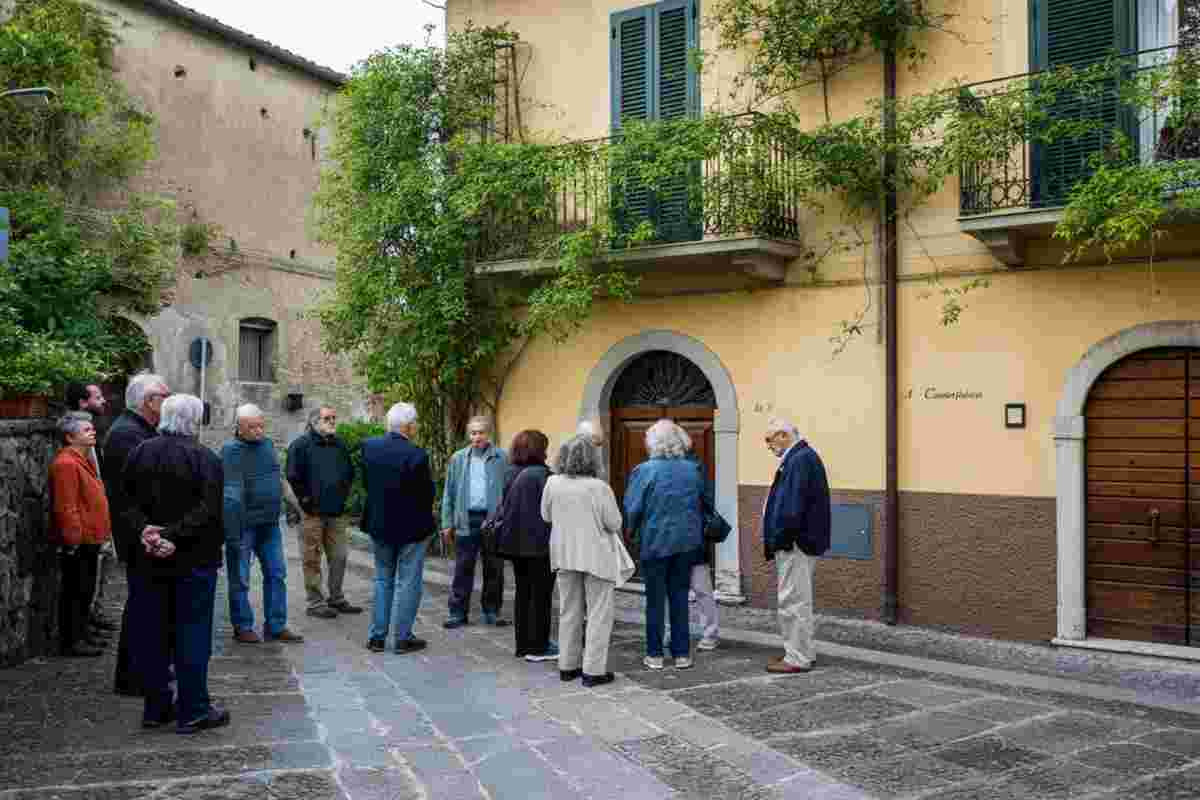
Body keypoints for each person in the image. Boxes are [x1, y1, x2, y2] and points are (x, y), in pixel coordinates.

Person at [122, 394, 229, 733]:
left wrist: (148, 532)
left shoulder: (140, 452)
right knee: (192, 634)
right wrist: (172, 535)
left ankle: (155, 707)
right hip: (193, 559)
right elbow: (207, 510)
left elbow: (124, 500)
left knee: (153, 632)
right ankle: (194, 708)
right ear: (195, 420)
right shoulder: (205, 458)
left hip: (148, 557)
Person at [541, 435, 628, 687]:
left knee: (569, 611)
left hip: (564, 554)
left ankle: (567, 665)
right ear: (593, 459)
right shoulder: (599, 487)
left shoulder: (552, 483)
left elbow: (545, 515)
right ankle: (593, 670)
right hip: (596, 556)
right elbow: (614, 523)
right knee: (599, 614)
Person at [103, 371, 170, 695]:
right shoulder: (128, 435)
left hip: (141, 530)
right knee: (144, 604)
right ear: (149, 401)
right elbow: (137, 490)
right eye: (165, 396)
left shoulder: (135, 430)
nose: (168, 402)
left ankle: (143, 671)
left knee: (147, 604)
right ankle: (135, 677)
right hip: (138, 533)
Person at [624, 420, 706, 671]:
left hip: (655, 541)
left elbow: (632, 508)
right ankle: (682, 654)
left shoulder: (644, 471)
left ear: (653, 443)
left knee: (655, 600)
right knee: (680, 597)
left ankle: (655, 654)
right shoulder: (693, 470)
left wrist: (631, 533)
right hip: (686, 542)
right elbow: (704, 503)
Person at [222, 404, 303, 644]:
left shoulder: (268, 446)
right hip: (243, 526)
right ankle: (242, 626)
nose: (258, 431)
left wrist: (294, 505)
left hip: (269, 523)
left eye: (261, 426)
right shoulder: (230, 451)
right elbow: (228, 493)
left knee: (277, 573)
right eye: (252, 427)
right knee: (240, 578)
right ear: (238, 427)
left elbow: (279, 479)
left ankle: (276, 625)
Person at [361, 402, 435, 654]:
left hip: (380, 523)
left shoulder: (369, 448)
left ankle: (377, 637)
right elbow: (427, 494)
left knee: (382, 579)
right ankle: (402, 638)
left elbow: (367, 484)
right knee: (408, 582)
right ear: (409, 426)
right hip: (411, 527)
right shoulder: (416, 455)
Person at [762, 417, 831, 674]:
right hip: (798, 542)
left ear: (783, 435)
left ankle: (797, 657)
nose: (768, 445)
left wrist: (781, 538)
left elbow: (792, 507)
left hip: (795, 544)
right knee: (797, 599)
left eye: (769, 439)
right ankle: (802, 651)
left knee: (792, 600)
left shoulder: (799, 459)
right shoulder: (801, 457)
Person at [286, 405, 361, 619]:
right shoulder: (300, 446)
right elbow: (293, 475)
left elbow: (349, 472)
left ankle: (336, 597)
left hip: (336, 511)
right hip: (312, 513)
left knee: (340, 556)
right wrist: (305, 500)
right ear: (314, 421)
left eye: (334, 417)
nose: (332, 421)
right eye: (328, 418)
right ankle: (315, 602)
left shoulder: (339, 445)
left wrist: (342, 495)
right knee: (312, 557)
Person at [49, 412, 113, 657]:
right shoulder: (66, 463)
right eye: (86, 430)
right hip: (79, 540)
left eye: (91, 428)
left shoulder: (79, 460)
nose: (92, 432)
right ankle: (72, 639)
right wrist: (72, 538)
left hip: (89, 537)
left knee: (84, 589)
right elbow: (67, 505)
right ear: (69, 437)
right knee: (75, 591)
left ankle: (82, 633)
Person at [441, 415, 509, 628]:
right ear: (468, 435)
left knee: (494, 567)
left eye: (481, 432)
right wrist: (446, 522)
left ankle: (492, 610)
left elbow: (508, 490)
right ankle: (458, 612)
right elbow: (449, 492)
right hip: (466, 518)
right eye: (473, 433)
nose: (477, 437)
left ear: (488, 434)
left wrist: (505, 517)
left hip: (492, 520)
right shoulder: (458, 458)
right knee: (463, 568)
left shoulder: (501, 457)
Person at [494, 429, 556, 662]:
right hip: (540, 545)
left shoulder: (510, 473)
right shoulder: (544, 475)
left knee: (523, 593)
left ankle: (523, 644)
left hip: (514, 544)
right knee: (541, 596)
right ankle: (539, 645)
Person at [66, 382, 119, 635]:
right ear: (82, 403)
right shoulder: (70, 458)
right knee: (78, 585)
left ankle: (87, 622)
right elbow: (69, 502)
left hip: (93, 527)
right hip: (83, 531)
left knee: (88, 581)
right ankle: (77, 632)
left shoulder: (89, 440)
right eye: (97, 397)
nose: (104, 401)